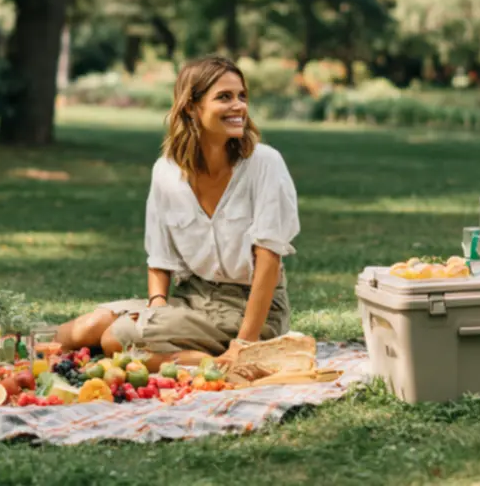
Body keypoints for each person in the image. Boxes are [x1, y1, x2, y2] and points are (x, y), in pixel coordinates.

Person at [53, 55, 300, 370]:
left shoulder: (265, 163)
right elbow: (160, 257)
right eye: (224, 97)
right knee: (82, 329)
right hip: (192, 298)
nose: (239, 106)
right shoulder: (166, 171)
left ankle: (222, 363)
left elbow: (268, 262)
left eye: (241, 96)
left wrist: (244, 343)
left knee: (116, 339)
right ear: (191, 107)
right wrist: (157, 310)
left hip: (251, 309)